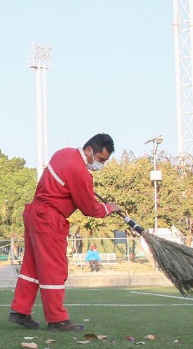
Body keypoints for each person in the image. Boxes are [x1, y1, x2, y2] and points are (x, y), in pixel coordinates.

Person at [9, 134, 120, 331]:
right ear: (88, 151)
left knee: (32, 267)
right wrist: (109, 208)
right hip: (49, 219)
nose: (101, 164)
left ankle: (20, 311)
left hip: (35, 213)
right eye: (101, 159)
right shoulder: (80, 172)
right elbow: (90, 208)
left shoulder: (63, 154)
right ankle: (57, 319)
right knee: (54, 269)